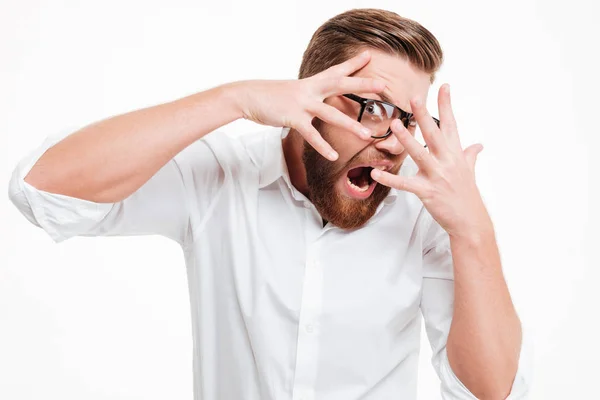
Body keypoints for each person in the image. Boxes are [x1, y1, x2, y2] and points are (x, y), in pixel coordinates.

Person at [8, 8, 531, 400]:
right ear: (314, 96)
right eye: (374, 108)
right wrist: (232, 98)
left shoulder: (428, 203)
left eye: (410, 121)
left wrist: (473, 232)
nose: (396, 142)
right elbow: (42, 191)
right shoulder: (222, 173)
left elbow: (491, 391)